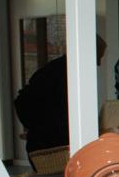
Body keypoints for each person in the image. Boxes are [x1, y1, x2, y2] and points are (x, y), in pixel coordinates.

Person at [14, 35, 108, 164]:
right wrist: (38, 128)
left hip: (47, 144)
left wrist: (33, 127)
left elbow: (23, 101)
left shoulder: (55, 70)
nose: (98, 64)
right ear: (87, 53)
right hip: (54, 148)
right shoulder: (65, 74)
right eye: (97, 57)